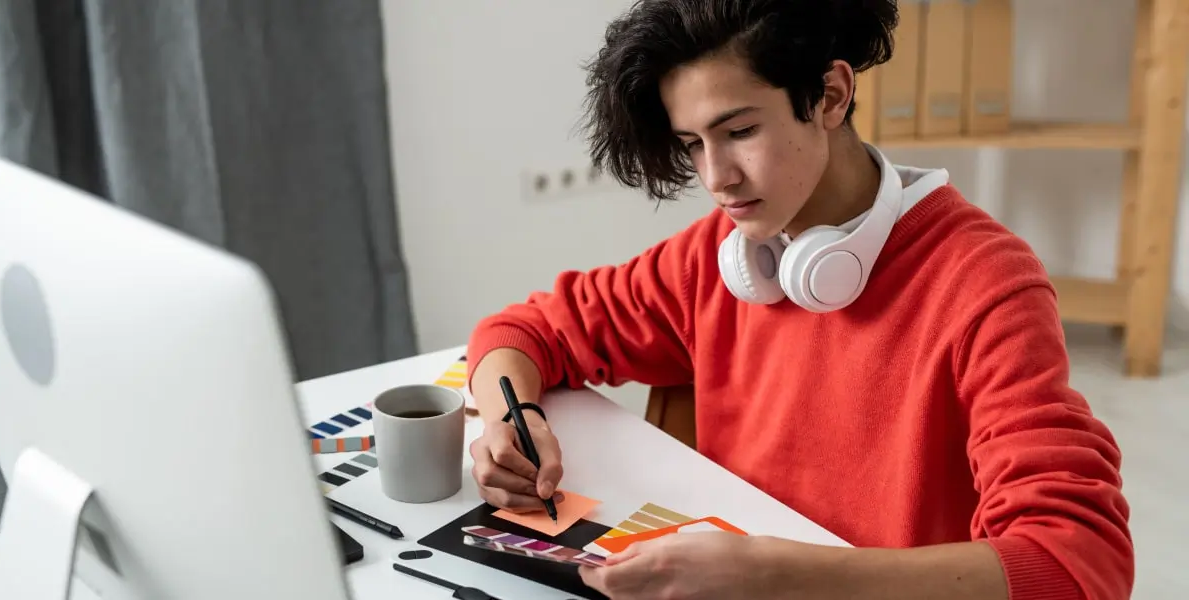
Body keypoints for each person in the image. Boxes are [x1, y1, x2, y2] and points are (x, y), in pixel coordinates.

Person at [465, 1, 1134, 599]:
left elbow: (1077, 566)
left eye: (739, 131)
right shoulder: (717, 257)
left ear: (831, 95)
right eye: (693, 144)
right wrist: (508, 421)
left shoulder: (984, 283)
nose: (716, 179)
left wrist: (771, 577)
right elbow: (522, 331)